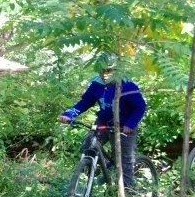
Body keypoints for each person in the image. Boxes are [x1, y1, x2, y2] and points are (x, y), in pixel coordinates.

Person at [59, 52, 147, 188]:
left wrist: (130, 124)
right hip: (103, 122)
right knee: (88, 146)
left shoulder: (127, 85)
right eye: (102, 70)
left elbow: (140, 107)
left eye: (109, 70)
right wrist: (69, 114)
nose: (104, 73)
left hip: (125, 125)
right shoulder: (96, 84)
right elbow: (84, 102)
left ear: (116, 70)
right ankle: (93, 180)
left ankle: (129, 193)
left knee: (125, 161)